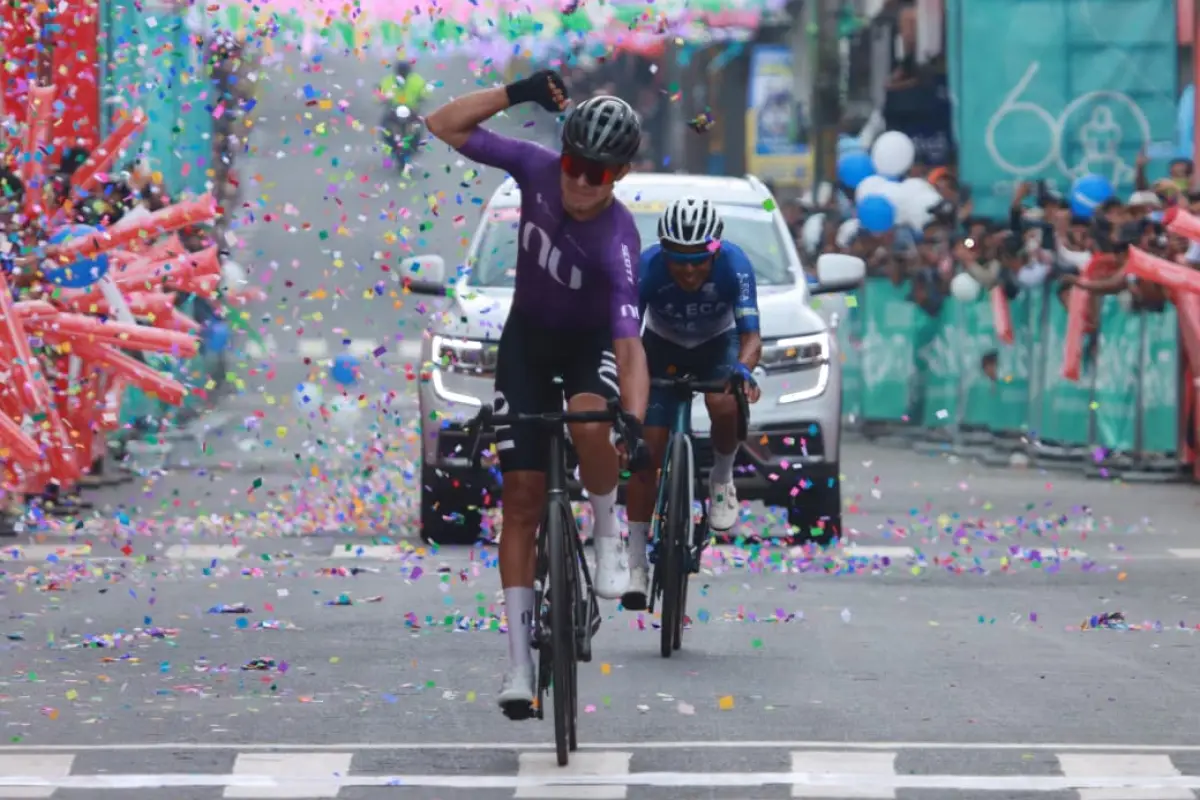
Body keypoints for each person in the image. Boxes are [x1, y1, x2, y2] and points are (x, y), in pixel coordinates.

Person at [424, 72, 650, 717]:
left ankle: (607, 538)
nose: (582, 183)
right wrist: (516, 91)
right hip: (525, 344)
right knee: (520, 499)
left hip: (589, 351)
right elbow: (444, 125)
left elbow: (630, 347)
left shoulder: (619, 241)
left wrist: (630, 420)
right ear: (564, 155)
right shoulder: (533, 167)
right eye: (577, 166)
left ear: (621, 174)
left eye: (599, 174)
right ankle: (520, 664)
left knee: (588, 420)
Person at [622, 197, 763, 609]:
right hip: (660, 345)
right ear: (663, 250)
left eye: (698, 260)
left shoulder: (735, 264)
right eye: (677, 260)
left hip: (716, 344)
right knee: (647, 451)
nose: (687, 270)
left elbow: (751, 337)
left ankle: (721, 478)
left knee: (724, 402)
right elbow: (627, 337)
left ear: (715, 250)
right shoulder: (647, 267)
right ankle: (635, 565)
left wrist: (742, 370)